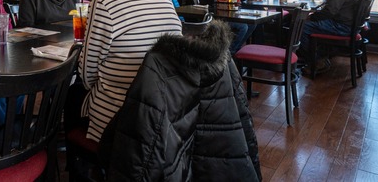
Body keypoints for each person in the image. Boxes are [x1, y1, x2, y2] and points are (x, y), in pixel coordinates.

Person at [98, 21, 260, 181]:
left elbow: (88, 74)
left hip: (149, 110)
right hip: (221, 163)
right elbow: (244, 119)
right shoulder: (221, 55)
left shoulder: (105, 2)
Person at [78, 0, 183, 142]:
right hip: (163, 111)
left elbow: (87, 74)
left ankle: (82, 165)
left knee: (71, 99)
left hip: (120, 118)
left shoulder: (104, 0)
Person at [299, 0, 364, 71]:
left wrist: (312, 17)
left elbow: (331, 11)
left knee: (301, 26)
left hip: (343, 26)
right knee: (307, 22)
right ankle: (318, 57)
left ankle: (317, 61)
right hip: (352, 23)